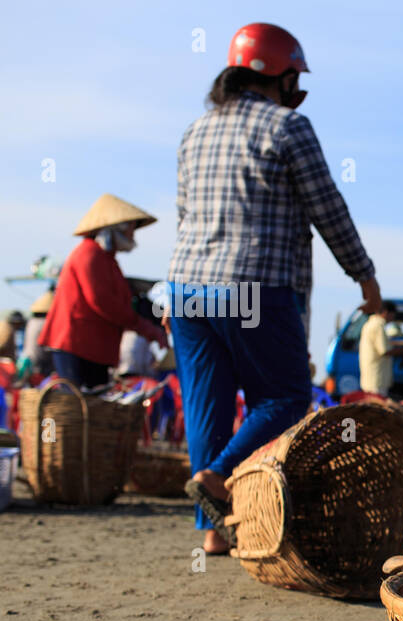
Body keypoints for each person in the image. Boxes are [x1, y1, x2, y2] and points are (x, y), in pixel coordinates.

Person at [167, 23, 381, 555]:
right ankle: (218, 479)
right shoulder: (288, 127)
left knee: (206, 410)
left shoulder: (195, 130)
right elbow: (328, 209)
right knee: (284, 396)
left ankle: (212, 531)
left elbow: (185, 215)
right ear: (278, 74)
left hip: (187, 287)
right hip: (253, 285)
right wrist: (365, 275)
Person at [36, 195, 168, 387]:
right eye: (131, 228)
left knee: (95, 406)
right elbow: (103, 303)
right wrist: (145, 327)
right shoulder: (89, 255)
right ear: (116, 229)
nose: (133, 234)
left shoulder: (107, 259)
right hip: (76, 345)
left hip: (93, 346)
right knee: (80, 405)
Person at [359, 300, 403, 397]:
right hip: (377, 380)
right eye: (393, 315)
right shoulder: (378, 326)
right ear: (386, 312)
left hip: (370, 379)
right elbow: (384, 351)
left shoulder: (369, 324)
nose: (393, 318)